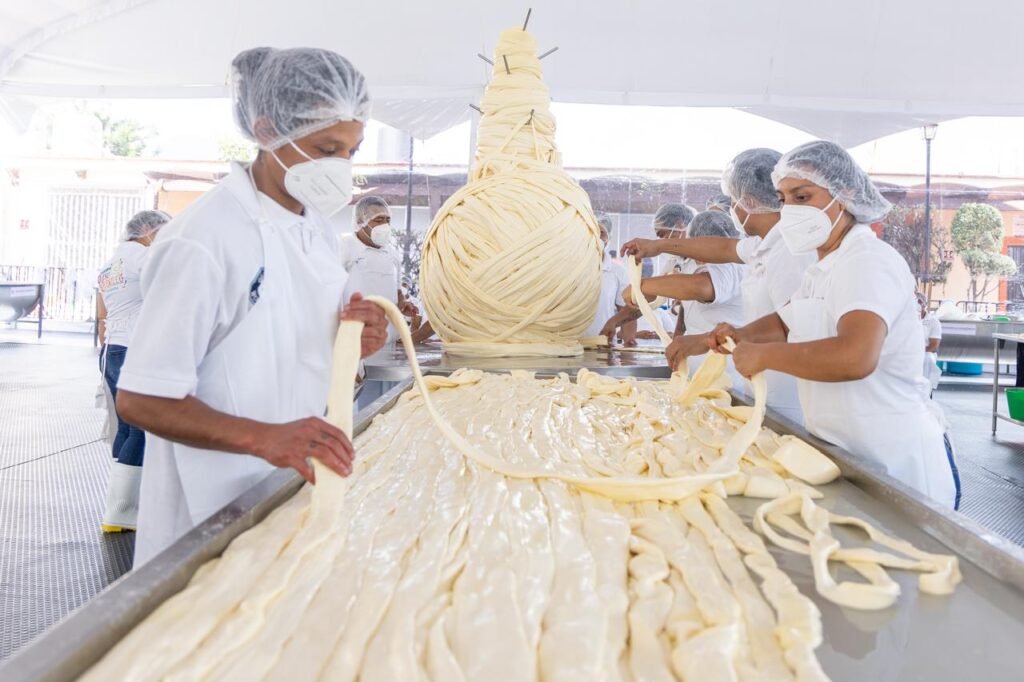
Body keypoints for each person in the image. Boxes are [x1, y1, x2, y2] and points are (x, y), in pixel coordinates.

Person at [115, 46, 390, 566]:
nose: (340, 166)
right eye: (326, 147)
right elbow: (141, 398)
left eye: (350, 151)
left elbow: (290, 349)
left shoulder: (315, 230)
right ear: (267, 131)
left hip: (286, 493)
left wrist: (353, 342)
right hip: (207, 516)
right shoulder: (203, 239)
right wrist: (266, 438)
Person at [702, 140, 959, 508]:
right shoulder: (823, 266)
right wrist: (741, 335)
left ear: (845, 195)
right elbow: (788, 322)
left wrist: (764, 356)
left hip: (895, 463)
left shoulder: (867, 261)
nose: (790, 210)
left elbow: (855, 356)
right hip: (847, 455)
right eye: (783, 199)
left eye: (802, 197)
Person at [622, 148, 816, 424]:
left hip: (788, 404)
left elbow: (791, 326)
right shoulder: (764, 244)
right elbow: (723, 247)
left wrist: (706, 341)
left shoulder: (789, 251)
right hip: (761, 392)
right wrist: (658, 245)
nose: (732, 209)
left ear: (749, 200)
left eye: (734, 200)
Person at [96, 209, 171, 532]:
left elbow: (102, 310)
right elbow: (170, 287)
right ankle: (122, 511)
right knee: (141, 427)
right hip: (134, 349)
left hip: (113, 349)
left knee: (127, 427)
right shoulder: (142, 257)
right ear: (149, 231)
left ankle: (119, 505)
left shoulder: (111, 263)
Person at [622, 210, 747, 381]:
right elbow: (680, 300)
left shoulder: (730, 266)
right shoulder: (699, 266)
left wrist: (640, 286)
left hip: (726, 376)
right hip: (699, 372)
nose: (695, 254)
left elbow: (700, 287)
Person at [599, 203, 696, 341]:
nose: (661, 241)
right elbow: (648, 299)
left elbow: (692, 287)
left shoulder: (704, 260)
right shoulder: (673, 262)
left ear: (680, 225)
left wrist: (639, 288)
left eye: (662, 235)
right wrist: (614, 322)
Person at [339, 196, 419, 343]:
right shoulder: (345, 247)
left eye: (388, 220)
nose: (385, 225)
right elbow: (330, 293)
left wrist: (403, 304)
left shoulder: (392, 253)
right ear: (360, 222)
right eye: (378, 220)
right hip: (355, 338)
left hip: (389, 337)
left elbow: (397, 292)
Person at [584, 212, 630, 339]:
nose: (596, 236)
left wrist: (629, 340)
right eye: (592, 231)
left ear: (608, 238)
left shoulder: (618, 271)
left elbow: (626, 310)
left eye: (602, 233)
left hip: (604, 343)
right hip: (569, 344)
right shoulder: (568, 266)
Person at [919, 292, 943, 394]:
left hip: (926, 352)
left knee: (927, 359)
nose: (917, 305)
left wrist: (917, 350)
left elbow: (934, 346)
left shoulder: (933, 321)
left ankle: (925, 392)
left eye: (920, 302)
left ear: (925, 304)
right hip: (908, 350)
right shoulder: (906, 320)